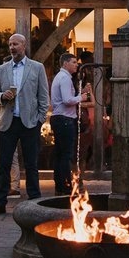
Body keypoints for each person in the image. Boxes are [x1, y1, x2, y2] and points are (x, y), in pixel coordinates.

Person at [0, 33, 50, 215]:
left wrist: (40, 119)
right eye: (10, 44)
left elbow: (43, 96)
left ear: (23, 46)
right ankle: (0, 202)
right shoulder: (2, 69)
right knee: (4, 163)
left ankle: (34, 200)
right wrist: (2, 96)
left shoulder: (37, 68)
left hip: (30, 122)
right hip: (8, 122)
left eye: (15, 44)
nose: (12, 47)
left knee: (31, 163)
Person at [50, 52, 82, 195]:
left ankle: (60, 184)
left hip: (60, 118)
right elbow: (67, 100)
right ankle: (65, 185)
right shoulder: (64, 78)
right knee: (65, 154)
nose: (76, 65)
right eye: (74, 62)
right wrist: (82, 97)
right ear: (65, 63)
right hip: (64, 119)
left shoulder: (61, 77)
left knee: (60, 153)